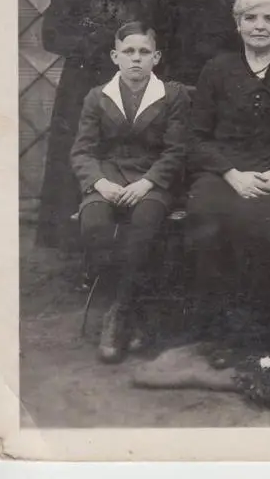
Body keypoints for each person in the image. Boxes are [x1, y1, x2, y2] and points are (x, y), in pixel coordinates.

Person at [185, 0, 270, 364]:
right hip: (224, 173)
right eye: (250, 18)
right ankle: (223, 335)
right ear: (238, 24)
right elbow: (196, 137)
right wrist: (231, 174)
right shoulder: (216, 70)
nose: (259, 25)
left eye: (268, 18)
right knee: (209, 223)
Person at [36, 0, 168, 250]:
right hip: (85, 76)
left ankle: (133, 237)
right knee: (77, 145)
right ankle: (69, 237)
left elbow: (161, 27)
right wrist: (101, 47)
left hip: (135, 77)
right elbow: (53, 33)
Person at [69, 22, 190, 363]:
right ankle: (125, 305)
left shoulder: (172, 96)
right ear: (115, 56)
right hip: (108, 177)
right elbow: (82, 150)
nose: (136, 58)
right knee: (95, 225)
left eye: (144, 52)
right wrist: (99, 183)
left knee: (145, 226)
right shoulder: (98, 96)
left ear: (156, 57)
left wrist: (148, 182)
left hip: (151, 180)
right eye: (128, 51)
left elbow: (176, 150)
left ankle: (120, 313)